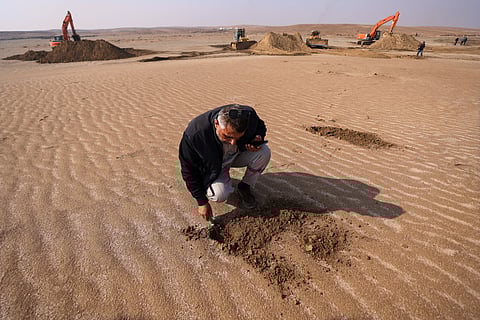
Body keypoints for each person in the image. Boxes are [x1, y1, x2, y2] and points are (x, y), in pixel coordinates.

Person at [179, 104, 271, 221]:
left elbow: (260, 126)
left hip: (236, 155)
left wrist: (258, 137)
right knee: (219, 195)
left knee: (264, 152)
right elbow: (188, 170)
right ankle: (219, 177)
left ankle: (245, 187)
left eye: (237, 138)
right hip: (212, 165)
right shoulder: (195, 134)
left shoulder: (248, 116)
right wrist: (201, 202)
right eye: (227, 137)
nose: (233, 142)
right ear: (216, 123)